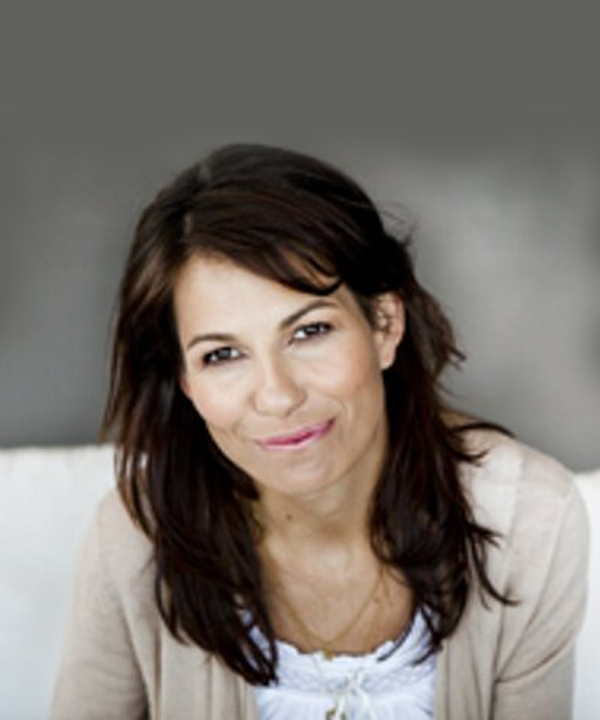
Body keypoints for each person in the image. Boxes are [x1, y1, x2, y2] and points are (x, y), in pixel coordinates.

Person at [51, 143, 589, 720]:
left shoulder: (528, 520)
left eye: (309, 331)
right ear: (184, 379)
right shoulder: (133, 541)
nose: (278, 396)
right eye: (222, 355)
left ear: (384, 324)